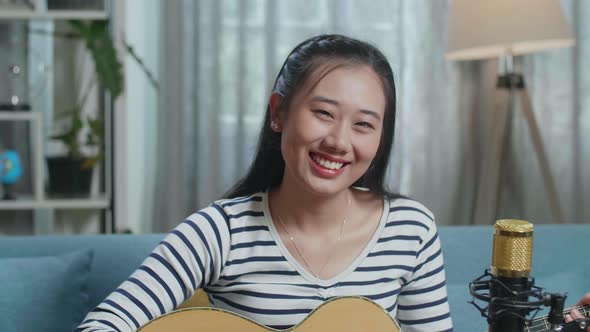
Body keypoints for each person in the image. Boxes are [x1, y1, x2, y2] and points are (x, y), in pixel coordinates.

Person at [76, 34, 453, 332]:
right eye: (323, 113)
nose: (339, 141)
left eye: (364, 125)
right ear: (278, 113)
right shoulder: (219, 232)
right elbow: (103, 324)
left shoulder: (410, 229)